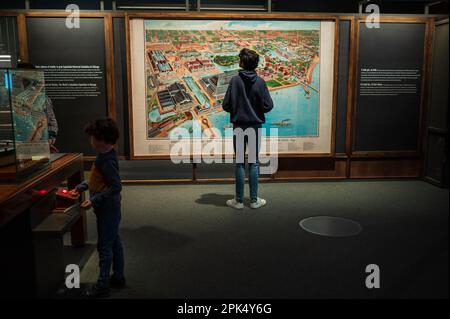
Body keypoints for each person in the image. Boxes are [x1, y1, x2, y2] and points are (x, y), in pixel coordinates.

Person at [69, 118, 125, 298]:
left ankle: (102, 285)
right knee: (114, 241)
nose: (90, 140)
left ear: (101, 139)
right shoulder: (104, 157)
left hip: (108, 209)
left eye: (92, 137)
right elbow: (96, 180)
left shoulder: (107, 161)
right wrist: (81, 187)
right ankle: (118, 277)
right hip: (108, 208)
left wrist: (94, 200)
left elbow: (115, 186)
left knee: (104, 247)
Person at [222, 48, 274, 209]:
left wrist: (238, 108)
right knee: (253, 163)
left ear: (242, 63)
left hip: (238, 126)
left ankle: (238, 201)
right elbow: (268, 105)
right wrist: (256, 109)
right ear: (256, 64)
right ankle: (253, 200)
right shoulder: (260, 82)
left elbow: (226, 105)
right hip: (255, 127)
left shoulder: (235, 81)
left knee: (239, 163)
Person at [17, 62, 59, 149]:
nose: (21, 81)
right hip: (19, 143)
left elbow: (51, 121)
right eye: (20, 77)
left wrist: (49, 139)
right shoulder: (14, 96)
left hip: (36, 143)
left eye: (25, 78)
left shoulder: (42, 98)